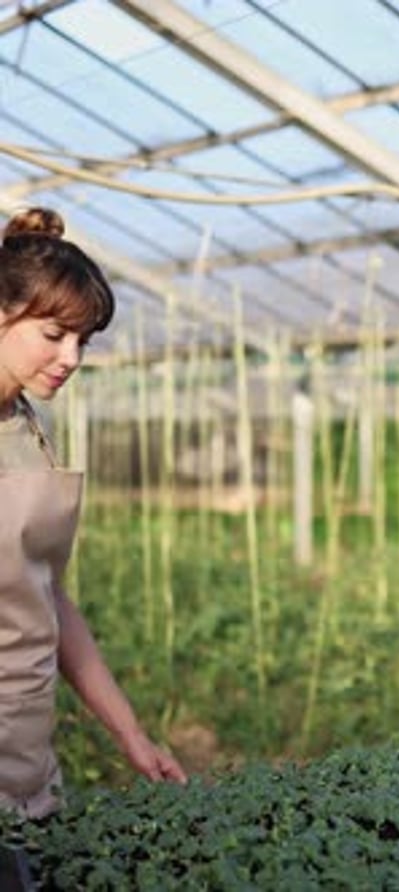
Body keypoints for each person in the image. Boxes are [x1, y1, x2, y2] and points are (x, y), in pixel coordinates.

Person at [0, 206, 187, 820]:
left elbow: (47, 595)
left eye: (83, 340)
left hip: (25, 753)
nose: (72, 357)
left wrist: (130, 732)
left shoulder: (34, 431)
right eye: (54, 335)